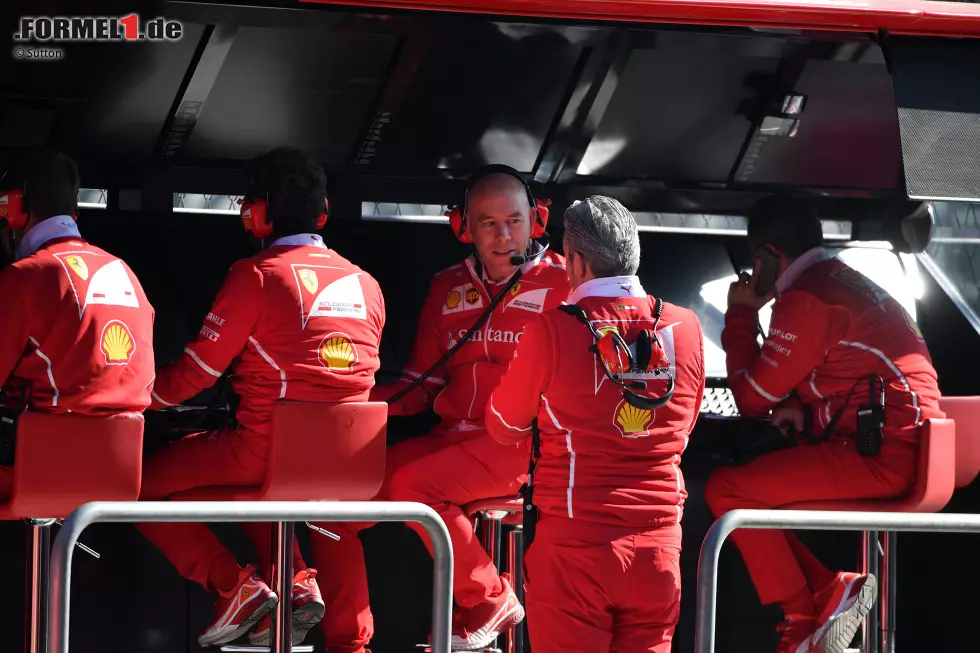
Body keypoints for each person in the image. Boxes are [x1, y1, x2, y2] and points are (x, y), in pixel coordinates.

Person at [309, 164, 570, 653]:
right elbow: (418, 387)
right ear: (463, 227)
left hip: (524, 447)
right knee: (328, 507)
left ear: (537, 221)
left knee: (414, 485)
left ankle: (488, 599)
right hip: (451, 442)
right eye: (488, 223)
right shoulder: (446, 286)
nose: (503, 235)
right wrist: (346, 404)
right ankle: (347, 643)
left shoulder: (566, 283)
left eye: (514, 221)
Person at [134, 148, 386, 648]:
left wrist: (135, 397)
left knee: (134, 488)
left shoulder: (255, 275)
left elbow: (196, 374)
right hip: (350, 466)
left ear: (258, 213)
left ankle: (233, 587)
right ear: (323, 214)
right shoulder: (368, 285)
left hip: (264, 456)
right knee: (257, 490)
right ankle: (295, 584)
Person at [704, 197, 944, 653]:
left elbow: (751, 399)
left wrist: (741, 313)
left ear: (768, 254)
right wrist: (803, 407)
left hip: (884, 455)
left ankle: (802, 617)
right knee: (752, 492)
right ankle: (826, 597)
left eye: (755, 259)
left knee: (727, 491)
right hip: (909, 445)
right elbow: (849, 372)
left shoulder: (807, 297)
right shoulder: (844, 282)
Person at [485, 195, 706, 653]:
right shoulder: (686, 327)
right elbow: (683, 427)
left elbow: (504, 425)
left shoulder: (552, 329)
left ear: (577, 262)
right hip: (660, 547)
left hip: (575, 546)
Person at [0, 149, 155, 497]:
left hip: (34, 471)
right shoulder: (126, 273)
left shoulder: (24, 277)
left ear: (15, 207)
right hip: (117, 474)